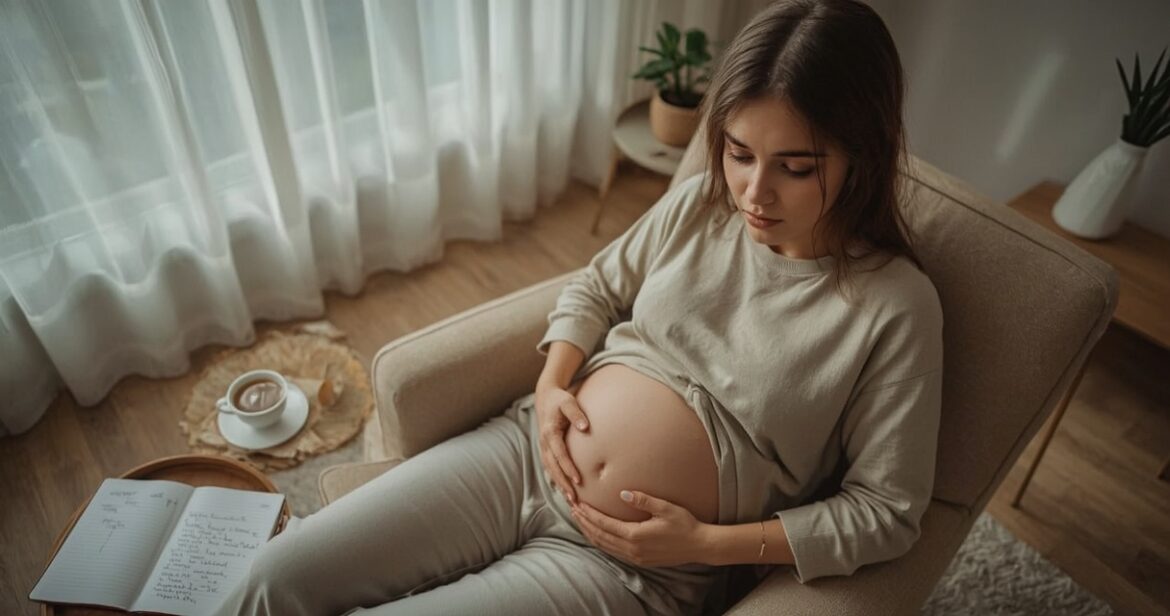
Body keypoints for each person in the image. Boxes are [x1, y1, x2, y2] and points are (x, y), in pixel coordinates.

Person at [213, 0, 943, 614]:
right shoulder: (700, 206)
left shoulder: (894, 308)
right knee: (270, 579)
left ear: (861, 158)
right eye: (739, 152)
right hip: (523, 453)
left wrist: (705, 545)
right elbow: (596, 286)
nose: (754, 192)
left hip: (634, 566)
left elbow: (888, 512)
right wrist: (552, 382)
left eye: (795, 167)